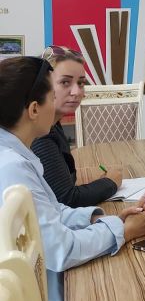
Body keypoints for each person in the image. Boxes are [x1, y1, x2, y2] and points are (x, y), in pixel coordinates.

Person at [0, 56, 145, 301]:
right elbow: (61, 249)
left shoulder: (16, 153)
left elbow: (52, 211)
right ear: (33, 109)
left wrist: (101, 218)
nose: (67, 95)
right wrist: (123, 231)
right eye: (53, 92)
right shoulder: (11, 166)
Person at [31, 45, 122, 207]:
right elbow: (67, 198)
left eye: (80, 83)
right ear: (43, 86)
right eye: (65, 82)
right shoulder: (39, 134)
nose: (77, 92)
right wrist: (111, 182)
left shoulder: (52, 123)